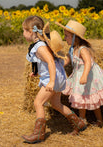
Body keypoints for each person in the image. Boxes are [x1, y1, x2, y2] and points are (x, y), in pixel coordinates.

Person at [21, 16, 87, 144]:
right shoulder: (42, 44)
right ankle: (78, 123)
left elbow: (51, 62)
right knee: (56, 104)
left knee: (38, 103)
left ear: (31, 31)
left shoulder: (40, 46)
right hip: (59, 77)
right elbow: (44, 62)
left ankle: (39, 134)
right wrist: (35, 72)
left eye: (24, 31)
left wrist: (51, 81)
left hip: (53, 79)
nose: (23, 34)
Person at [55, 20, 103, 128]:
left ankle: (98, 120)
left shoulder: (82, 49)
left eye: (67, 36)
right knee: (82, 99)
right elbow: (67, 60)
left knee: (92, 100)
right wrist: (57, 66)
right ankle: (83, 120)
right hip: (78, 76)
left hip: (88, 76)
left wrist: (84, 75)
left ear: (75, 37)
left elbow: (88, 62)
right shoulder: (72, 49)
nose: (65, 38)